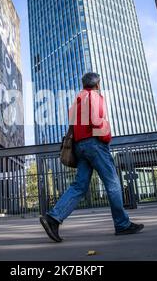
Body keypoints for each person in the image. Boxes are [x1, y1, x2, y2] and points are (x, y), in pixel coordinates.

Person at [40, 72, 144, 242]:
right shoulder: (94, 96)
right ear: (97, 84)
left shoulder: (77, 100)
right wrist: (107, 133)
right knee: (112, 183)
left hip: (80, 147)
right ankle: (122, 224)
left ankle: (53, 218)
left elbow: (72, 125)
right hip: (94, 145)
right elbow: (97, 121)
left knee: (79, 186)